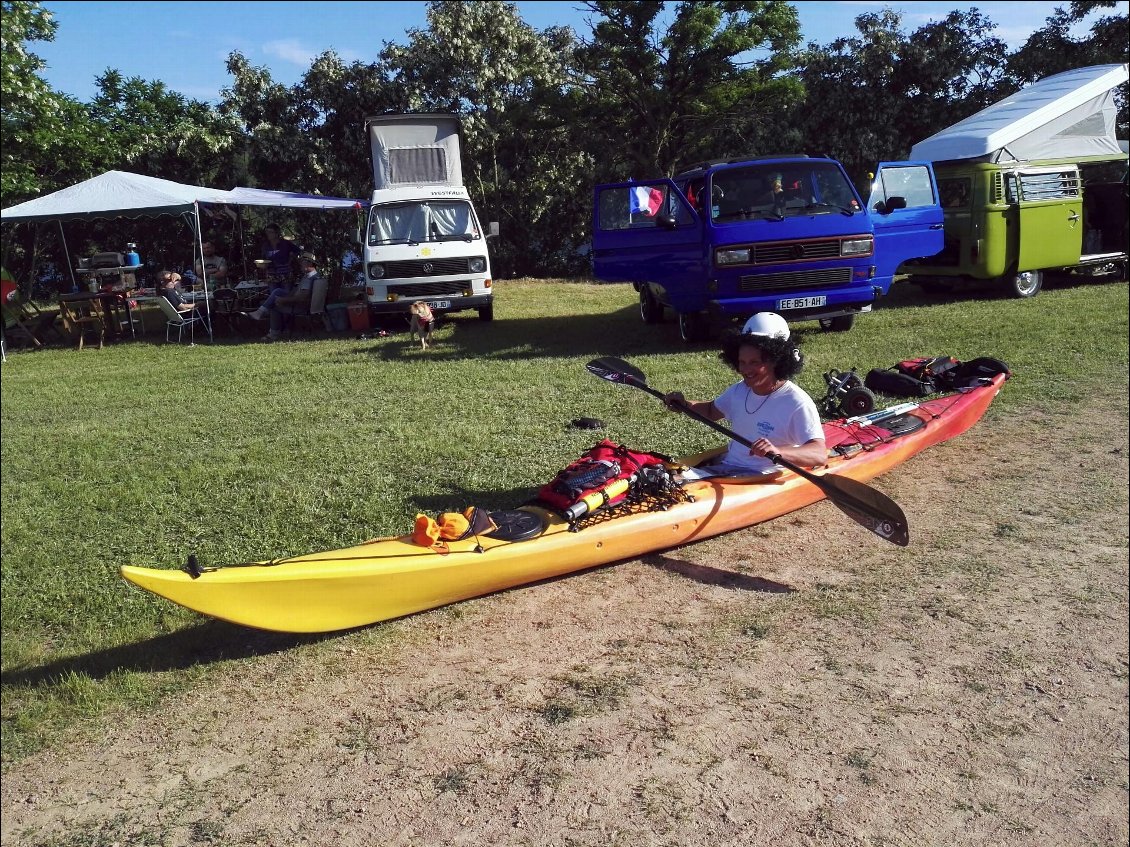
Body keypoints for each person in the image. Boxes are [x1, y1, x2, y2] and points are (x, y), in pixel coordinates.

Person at [662, 312, 826, 479]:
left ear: (777, 361)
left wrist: (777, 452)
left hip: (759, 476)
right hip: (728, 467)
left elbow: (819, 454)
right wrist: (683, 405)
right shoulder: (740, 390)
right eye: (742, 362)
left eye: (755, 363)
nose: (746, 370)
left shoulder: (796, 402)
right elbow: (711, 411)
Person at [257, 252, 318, 342]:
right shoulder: (315, 275)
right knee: (277, 291)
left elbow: (302, 298)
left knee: (273, 306)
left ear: (309, 263)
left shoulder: (308, 278)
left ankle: (273, 334)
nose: (300, 264)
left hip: (301, 307)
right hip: (308, 305)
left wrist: (284, 300)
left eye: (302, 262)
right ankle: (263, 311)